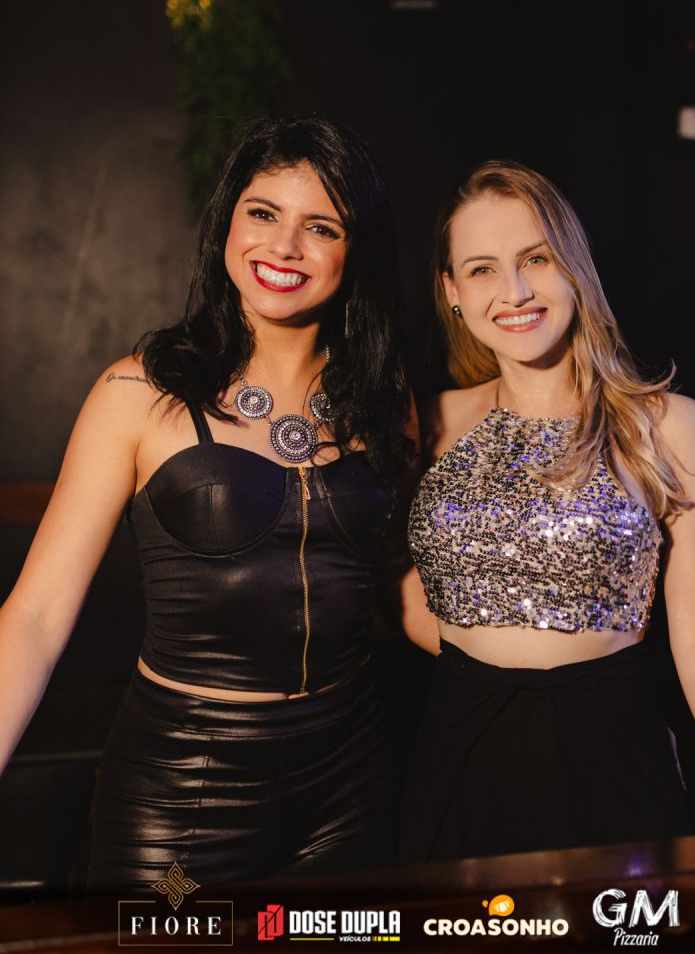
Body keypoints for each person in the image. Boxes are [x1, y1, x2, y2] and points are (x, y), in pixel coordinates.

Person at [0, 116, 435, 888]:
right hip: (183, 793)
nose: (284, 246)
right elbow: (33, 617)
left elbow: (395, 580)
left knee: (335, 947)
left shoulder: (384, 399)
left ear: (355, 250)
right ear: (227, 223)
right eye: (263, 213)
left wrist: (553, 671)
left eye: (321, 226)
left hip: (349, 784)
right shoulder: (137, 393)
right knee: (166, 941)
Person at [398, 159, 695, 863]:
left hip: (613, 750)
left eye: (536, 259)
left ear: (574, 267)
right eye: (483, 269)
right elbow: (394, 590)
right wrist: (493, 664)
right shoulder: (429, 423)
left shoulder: (667, 426)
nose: (515, 291)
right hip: (460, 752)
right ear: (452, 291)